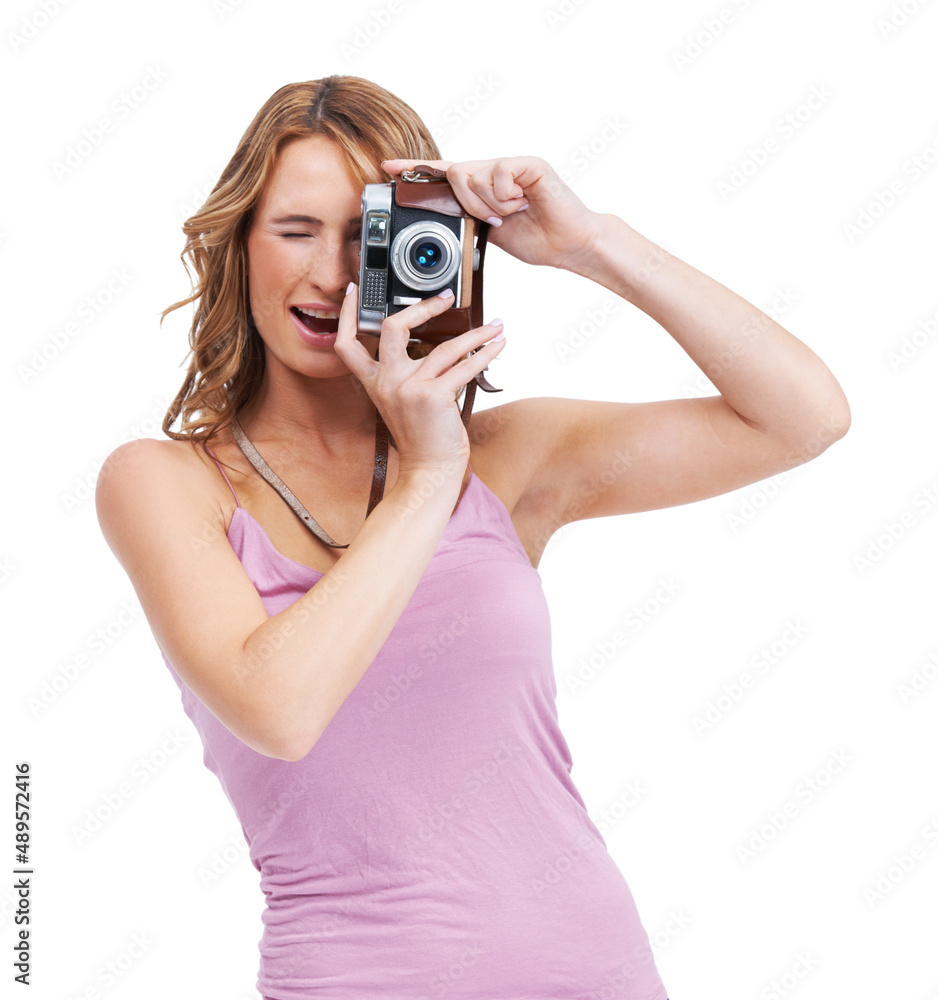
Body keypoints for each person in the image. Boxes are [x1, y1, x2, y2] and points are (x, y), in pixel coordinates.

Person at [95, 75, 850, 999]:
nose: (332, 275)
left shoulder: (508, 459)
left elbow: (802, 418)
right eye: (295, 231)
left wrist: (590, 244)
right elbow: (279, 708)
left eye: (370, 235)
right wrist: (422, 475)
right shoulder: (166, 481)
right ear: (237, 243)